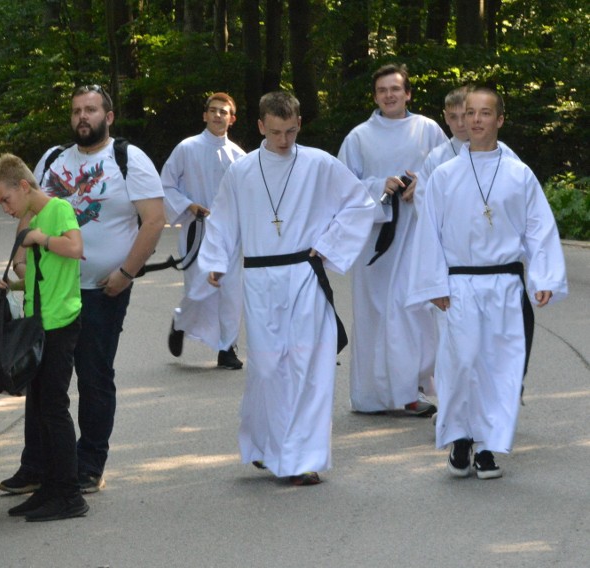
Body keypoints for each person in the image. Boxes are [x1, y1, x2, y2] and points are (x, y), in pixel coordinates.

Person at [199, 91, 375, 485]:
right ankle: (265, 447)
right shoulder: (242, 171)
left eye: (291, 131)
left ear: (299, 125)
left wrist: (328, 246)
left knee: (308, 366)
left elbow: (359, 204)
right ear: (261, 126)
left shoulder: (318, 164)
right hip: (260, 281)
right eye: (276, 132)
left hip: (303, 275)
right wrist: (214, 261)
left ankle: (300, 458)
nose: (284, 140)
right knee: (266, 369)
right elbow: (223, 219)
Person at [0, 84, 166, 495]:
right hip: (50, 292)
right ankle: (37, 464)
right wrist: (20, 256)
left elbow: (154, 220)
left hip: (101, 292)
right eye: (76, 111)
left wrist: (126, 273)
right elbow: (26, 209)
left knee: (93, 377)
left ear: (108, 117)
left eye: (91, 110)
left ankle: (89, 463)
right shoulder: (53, 159)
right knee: (41, 379)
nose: (82, 118)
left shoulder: (128, 160)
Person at [406, 86, 568, 479]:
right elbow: (430, 233)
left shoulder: (519, 174)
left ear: (499, 119)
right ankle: (461, 438)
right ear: (461, 118)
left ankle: (490, 447)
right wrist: (435, 285)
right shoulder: (444, 176)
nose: (476, 120)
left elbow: (538, 229)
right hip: (460, 286)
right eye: (470, 113)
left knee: (500, 367)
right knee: (461, 364)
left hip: (506, 286)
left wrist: (544, 275)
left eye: (485, 113)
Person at [0, 154, 89, 521]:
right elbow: (39, 271)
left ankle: (70, 495)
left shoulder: (57, 209)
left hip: (60, 322)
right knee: (41, 408)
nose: (5, 208)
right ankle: (50, 485)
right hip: (41, 321)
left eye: (6, 200)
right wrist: (16, 274)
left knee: (54, 408)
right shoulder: (35, 219)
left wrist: (40, 238)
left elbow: (75, 249)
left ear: (24, 187)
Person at [338, 63, 447, 416]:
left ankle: (410, 390)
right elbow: (340, 188)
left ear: (408, 93)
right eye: (382, 90)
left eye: (395, 89)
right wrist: (377, 186)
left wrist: (422, 185)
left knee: (414, 312)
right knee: (376, 315)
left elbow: (448, 173)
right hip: (376, 242)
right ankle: (371, 396)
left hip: (417, 236)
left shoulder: (428, 130)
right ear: (375, 96)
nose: (389, 95)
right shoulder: (358, 137)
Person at [161, 92, 246, 369]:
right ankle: (181, 322)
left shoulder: (240, 157)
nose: (218, 115)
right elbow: (166, 184)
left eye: (224, 111)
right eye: (213, 110)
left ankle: (227, 348)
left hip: (229, 235)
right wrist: (189, 205)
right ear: (205, 115)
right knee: (199, 288)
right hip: (197, 230)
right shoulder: (187, 148)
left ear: (232, 119)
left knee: (230, 291)